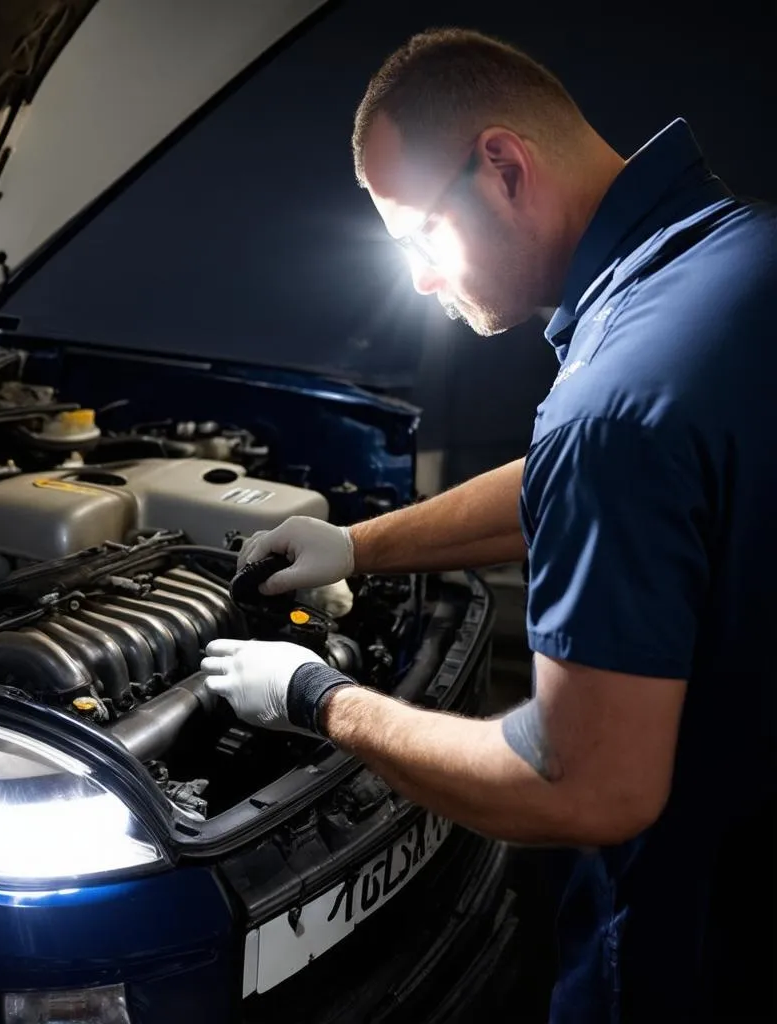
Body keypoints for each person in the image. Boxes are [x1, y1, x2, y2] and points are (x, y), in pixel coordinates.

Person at [200, 27, 776, 1024]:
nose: (421, 280)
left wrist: (318, 696)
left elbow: (580, 788)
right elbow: (608, 477)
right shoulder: (737, 255)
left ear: (503, 166)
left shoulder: (612, 401)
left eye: (418, 236)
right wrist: (357, 544)